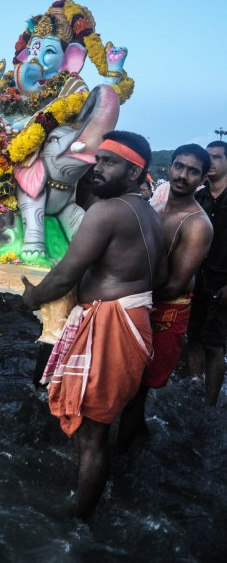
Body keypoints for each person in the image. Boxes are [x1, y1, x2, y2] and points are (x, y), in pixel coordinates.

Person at [22, 130, 166, 520]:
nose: (96, 168)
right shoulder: (150, 215)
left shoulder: (107, 211)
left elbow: (65, 275)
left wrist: (31, 298)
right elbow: (161, 277)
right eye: (97, 159)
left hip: (112, 324)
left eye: (109, 162)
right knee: (98, 426)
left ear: (135, 173)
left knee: (93, 434)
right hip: (134, 319)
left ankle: (76, 525)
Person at [117, 144, 213, 451]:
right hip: (139, 301)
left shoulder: (198, 224)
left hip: (165, 311)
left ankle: (122, 457)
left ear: (202, 179)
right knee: (128, 385)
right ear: (169, 167)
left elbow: (174, 286)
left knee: (138, 389)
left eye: (193, 171)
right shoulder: (156, 210)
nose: (183, 175)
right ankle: (138, 435)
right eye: (179, 166)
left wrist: (118, 292)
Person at [187, 140, 227, 405]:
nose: (211, 162)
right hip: (195, 281)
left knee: (214, 343)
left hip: (222, 284)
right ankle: (193, 389)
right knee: (193, 337)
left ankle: (210, 404)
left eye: (218, 157)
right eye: (208, 157)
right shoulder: (197, 198)